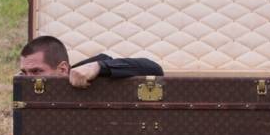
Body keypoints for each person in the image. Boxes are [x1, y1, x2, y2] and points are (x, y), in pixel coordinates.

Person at [19, 36, 163, 88]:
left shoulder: (89, 72)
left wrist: (100, 66)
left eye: (36, 71)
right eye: (24, 72)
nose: (27, 79)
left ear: (63, 69)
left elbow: (154, 69)